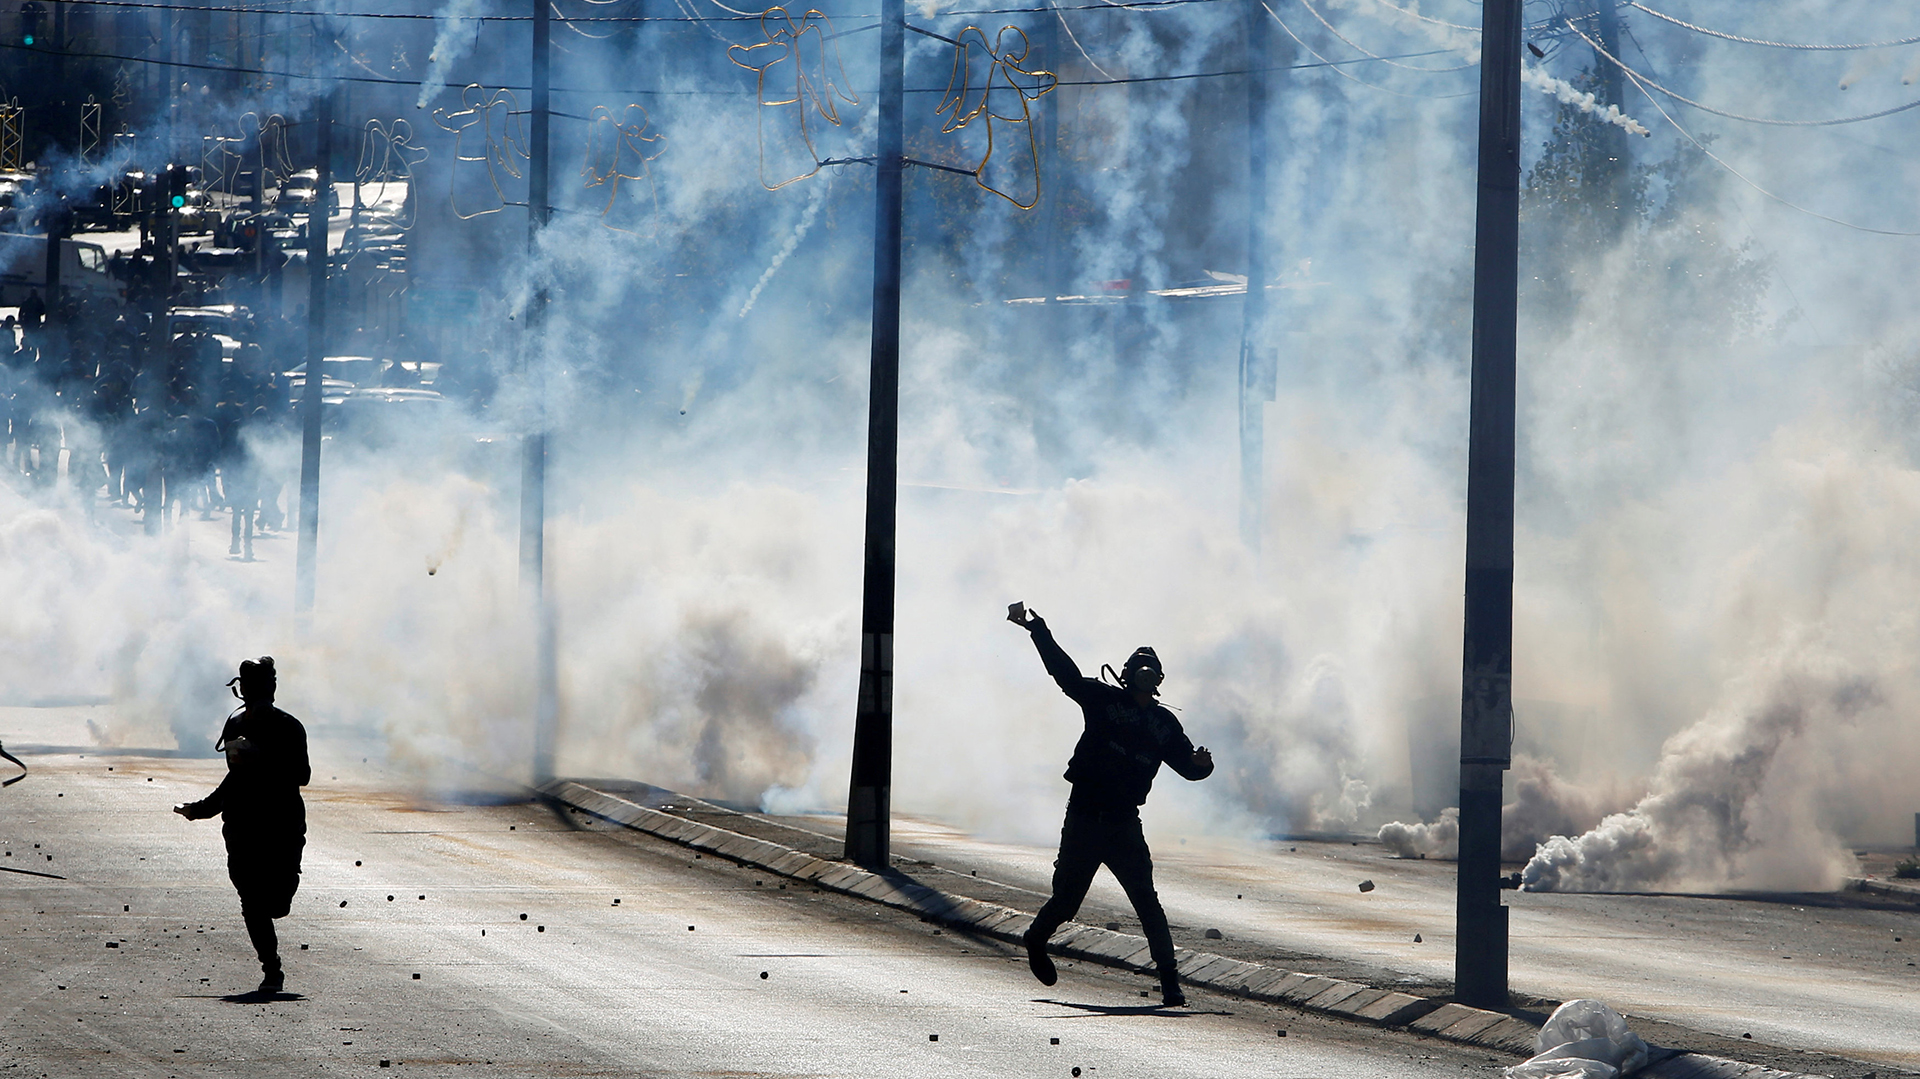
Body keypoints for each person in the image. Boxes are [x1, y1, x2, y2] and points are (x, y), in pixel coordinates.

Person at [1008, 603, 1214, 1007]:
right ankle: (1036, 939)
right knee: (1067, 901)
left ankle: (1170, 982)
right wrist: (1038, 630)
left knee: (1147, 904)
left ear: (1158, 680)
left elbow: (1188, 768)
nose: (1145, 671)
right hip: (1085, 816)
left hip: (1123, 824)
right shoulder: (1102, 701)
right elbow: (1065, 676)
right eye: (1140, 667)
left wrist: (1203, 766)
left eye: (1151, 668)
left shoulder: (1164, 725)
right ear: (1125, 675)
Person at [174, 657, 310, 994]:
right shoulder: (235, 725)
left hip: (281, 824)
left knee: (277, 902)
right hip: (244, 827)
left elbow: (302, 775)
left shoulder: (290, 727)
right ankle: (272, 970)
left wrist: (264, 760)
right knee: (252, 900)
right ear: (244, 690)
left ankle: (271, 954)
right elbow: (234, 780)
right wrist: (200, 809)